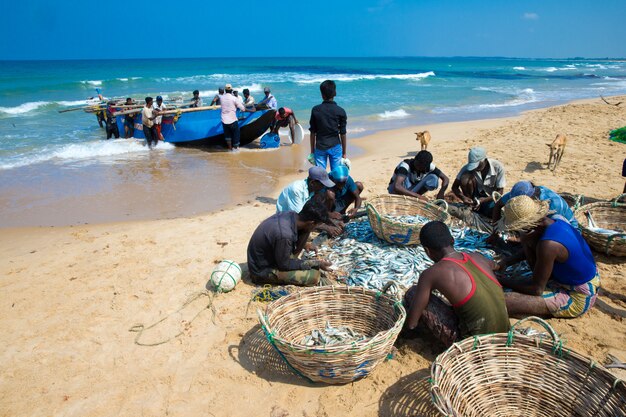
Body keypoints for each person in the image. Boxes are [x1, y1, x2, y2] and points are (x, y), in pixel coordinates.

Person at [404, 221, 509, 347]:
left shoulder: (431, 274)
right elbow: (496, 266)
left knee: (413, 293)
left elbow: (412, 323)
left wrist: (405, 331)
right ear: (453, 240)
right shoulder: (478, 257)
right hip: (505, 336)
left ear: (427, 251)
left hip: (474, 345)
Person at [497, 196, 599, 319]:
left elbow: (536, 289)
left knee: (503, 301)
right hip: (580, 280)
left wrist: (501, 279)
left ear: (528, 227)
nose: (517, 234)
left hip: (577, 295)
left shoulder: (548, 245)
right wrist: (507, 261)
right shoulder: (555, 222)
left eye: (518, 230)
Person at [247, 199, 333, 286]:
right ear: (311, 222)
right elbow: (284, 265)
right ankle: (261, 279)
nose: (316, 228)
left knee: (306, 231)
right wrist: (316, 263)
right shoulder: (284, 235)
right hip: (261, 270)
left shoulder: (290, 214)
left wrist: (305, 244)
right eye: (317, 225)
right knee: (314, 276)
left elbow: (303, 230)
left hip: (272, 256)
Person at [493, 181, 578, 228]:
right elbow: (498, 205)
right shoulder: (518, 194)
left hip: (565, 229)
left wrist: (518, 240)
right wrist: (495, 229)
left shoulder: (552, 205)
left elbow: (551, 229)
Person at [452, 147, 506, 217]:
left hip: (490, 197)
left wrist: (483, 200)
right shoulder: (467, 168)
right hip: (474, 195)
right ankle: (471, 205)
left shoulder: (498, 167)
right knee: (465, 178)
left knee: (492, 211)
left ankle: (481, 208)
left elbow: (500, 192)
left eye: (478, 165)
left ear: (485, 160)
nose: (475, 168)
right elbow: (454, 187)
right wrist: (463, 198)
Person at [309, 80, 348, 171]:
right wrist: (344, 152)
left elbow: (312, 132)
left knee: (321, 175)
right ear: (335, 93)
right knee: (336, 173)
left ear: (322, 94)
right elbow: (343, 133)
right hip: (335, 146)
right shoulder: (340, 111)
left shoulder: (315, 110)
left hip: (320, 147)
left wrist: (312, 151)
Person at [220, 84, 245, 151]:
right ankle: (236, 149)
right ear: (231, 91)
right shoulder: (234, 98)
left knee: (228, 136)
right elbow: (243, 108)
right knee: (236, 134)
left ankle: (230, 149)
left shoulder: (221, 98)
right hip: (232, 120)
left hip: (224, 120)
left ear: (225, 90)